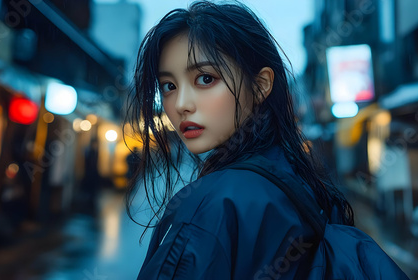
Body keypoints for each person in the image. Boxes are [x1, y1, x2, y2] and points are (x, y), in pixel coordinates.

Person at [125, 1, 354, 278]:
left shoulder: (215, 206)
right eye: (169, 86)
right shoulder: (299, 182)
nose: (181, 104)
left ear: (260, 86)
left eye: (205, 78)